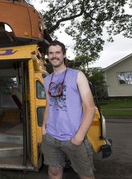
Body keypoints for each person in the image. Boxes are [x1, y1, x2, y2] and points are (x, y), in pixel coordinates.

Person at [41, 40, 96, 179]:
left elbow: (90, 108)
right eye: (51, 53)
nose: (54, 56)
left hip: (73, 137)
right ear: (47, 56)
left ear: (64, 55)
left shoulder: (77, 75)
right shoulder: (47, 79)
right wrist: (44, 128)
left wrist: (79, 136)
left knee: (86, 175)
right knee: (54, 172)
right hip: (51, 137)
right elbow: (49, 104)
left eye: (58, 52)